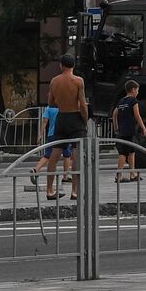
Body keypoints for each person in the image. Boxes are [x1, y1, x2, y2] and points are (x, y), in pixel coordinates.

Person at [47, 53, 89, 202]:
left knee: (55, 154)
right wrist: (84, 120)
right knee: (76, 155)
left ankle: (50, 189)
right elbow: (83, 104)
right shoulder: (78, 81)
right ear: (73, 66)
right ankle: (75, 191)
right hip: (75, 117)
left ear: (61, 65)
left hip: (61, 117)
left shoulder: (54, 81)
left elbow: (51, 102)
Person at [31, 98, 71, 190]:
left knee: (49, 154)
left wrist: (40, 135)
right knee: (67, 154)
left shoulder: (48, 108)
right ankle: (65, 176)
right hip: (63, 134)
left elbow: (44, 122)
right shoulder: (64, 107)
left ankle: (36, 169)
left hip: (51, 134)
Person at [114, 80, 146, 182]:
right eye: (137, 90)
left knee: (131, 152)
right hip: (129, 130)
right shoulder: (133, 100)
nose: (138, 92)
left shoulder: (121, 101)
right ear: (133, 90)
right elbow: (137, 116)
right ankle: (118, 175)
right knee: (123, 154)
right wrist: (144, 128)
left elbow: (114, 114)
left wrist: (116, 127)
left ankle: (132, 173)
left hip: (122, 130)